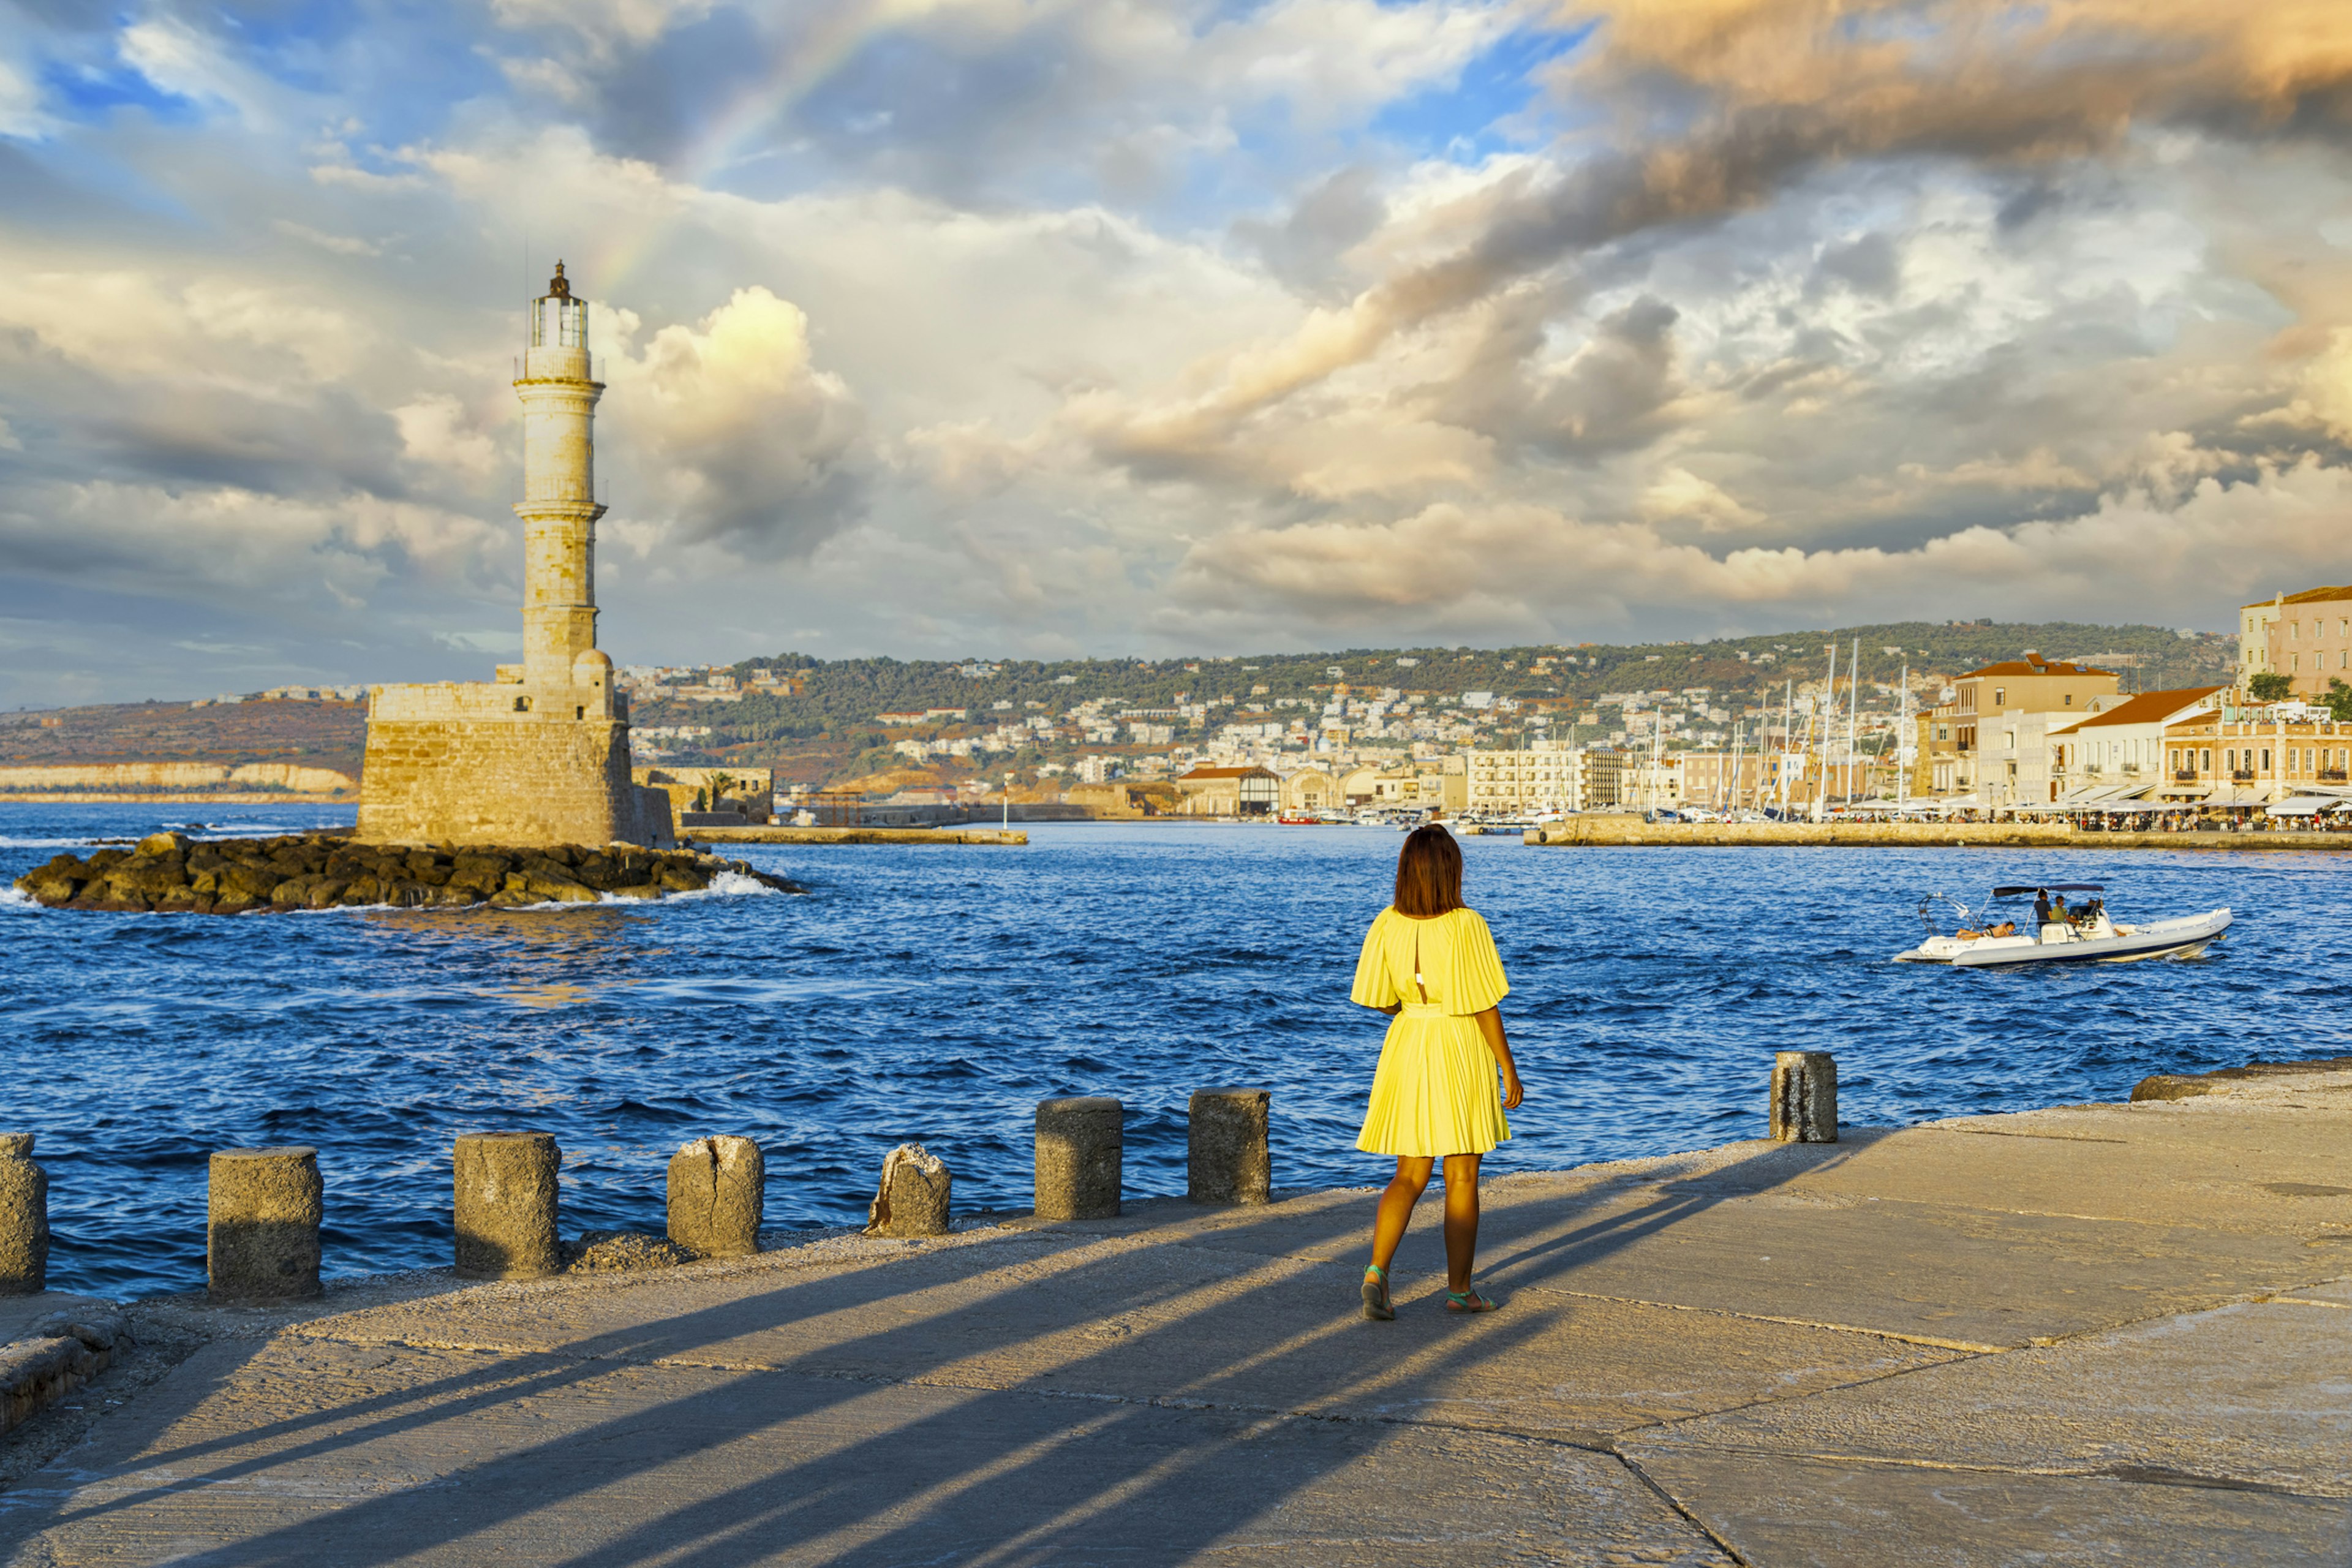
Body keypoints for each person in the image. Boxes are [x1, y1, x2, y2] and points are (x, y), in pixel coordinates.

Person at [1351, 824, 1525, 1320]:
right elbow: (1484, 1006)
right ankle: (1459, 1290)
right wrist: (1507, 1068)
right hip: (1458, 1042)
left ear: (1406, 869)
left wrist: (1415, 1009)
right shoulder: (1466, 925)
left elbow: (1379, 999)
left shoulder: (1387, 923)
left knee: (1408, 1173)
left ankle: (1376, 1273)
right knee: (1462, 1175)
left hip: (1408, 1041)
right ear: (1451, 869)